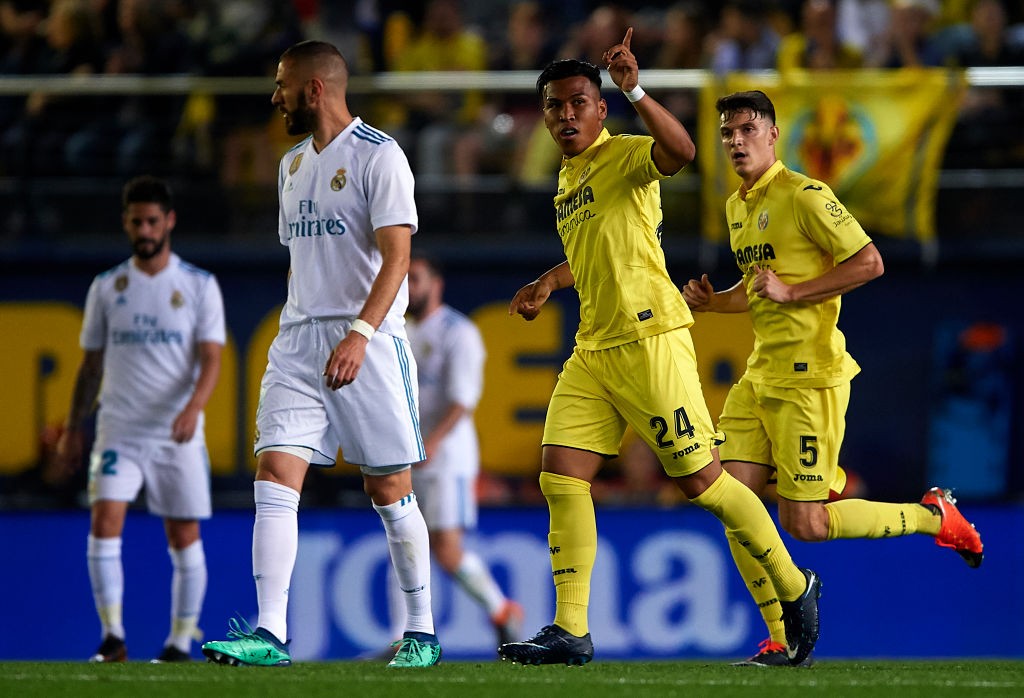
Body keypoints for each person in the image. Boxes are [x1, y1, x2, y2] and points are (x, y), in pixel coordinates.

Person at [496, 30, 821, 668]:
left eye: (578, 103)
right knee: (561, 472)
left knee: (704, 483)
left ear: (599, 108)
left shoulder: (624, 155)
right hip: (595, 346)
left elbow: (683, 151)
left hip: (650, 339)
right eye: (555, 106)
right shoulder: (568, 181)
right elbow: (593, 251)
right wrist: (548, 281)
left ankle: (794, 584)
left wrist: (635, 89)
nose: (566, 115)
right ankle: (570, 629)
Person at [683, 89, 984, 667]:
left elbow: (870, 261)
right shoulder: (738, 205)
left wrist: (794, 291)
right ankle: (782, 635)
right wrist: (713, 302)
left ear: (773, 134)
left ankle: (933, 517)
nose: (736, 141)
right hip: (760, 376)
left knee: (808, 524)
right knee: (731, 502)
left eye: (747, 129)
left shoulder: (806, 196)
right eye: (727, 133)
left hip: (809, 379)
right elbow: (759, 290)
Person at [199, 39, 441, 669]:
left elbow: (399, 259)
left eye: (281, 84)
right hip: (299, 339)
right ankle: (271, 633)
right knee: (275, 474)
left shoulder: (380, 157)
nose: (273, 95)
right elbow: (303, 259)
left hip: (369, 339)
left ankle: (421, 631)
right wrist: (301, 331)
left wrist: (359, 333)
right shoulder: (290, 165)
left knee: (388, 487)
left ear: (314, 88)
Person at [55, 175, 226, 663]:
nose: (145, 229)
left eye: (153, 220)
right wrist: (73, 428)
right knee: (104, 520)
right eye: (136, 222)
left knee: (183, 533)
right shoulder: (108, 287)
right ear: (125, 223)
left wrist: (194, 407)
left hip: (177, 429)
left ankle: (177, 642)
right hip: (120, 428)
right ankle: (112, 637)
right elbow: (90, 367)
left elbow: (212, 357)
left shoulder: (197, 285)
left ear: (169, 221)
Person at [375, 253, 522, 654]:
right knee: (400, 539)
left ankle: (501, 610)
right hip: (407, 453)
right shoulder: (396, 329)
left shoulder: (459, 331)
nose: (409, 287)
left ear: (436, 283)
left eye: (416, 278)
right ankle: (402, 635)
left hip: (446, 457)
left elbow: (463, 400)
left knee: (444, 547)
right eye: (405, 279)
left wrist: (433, 442)